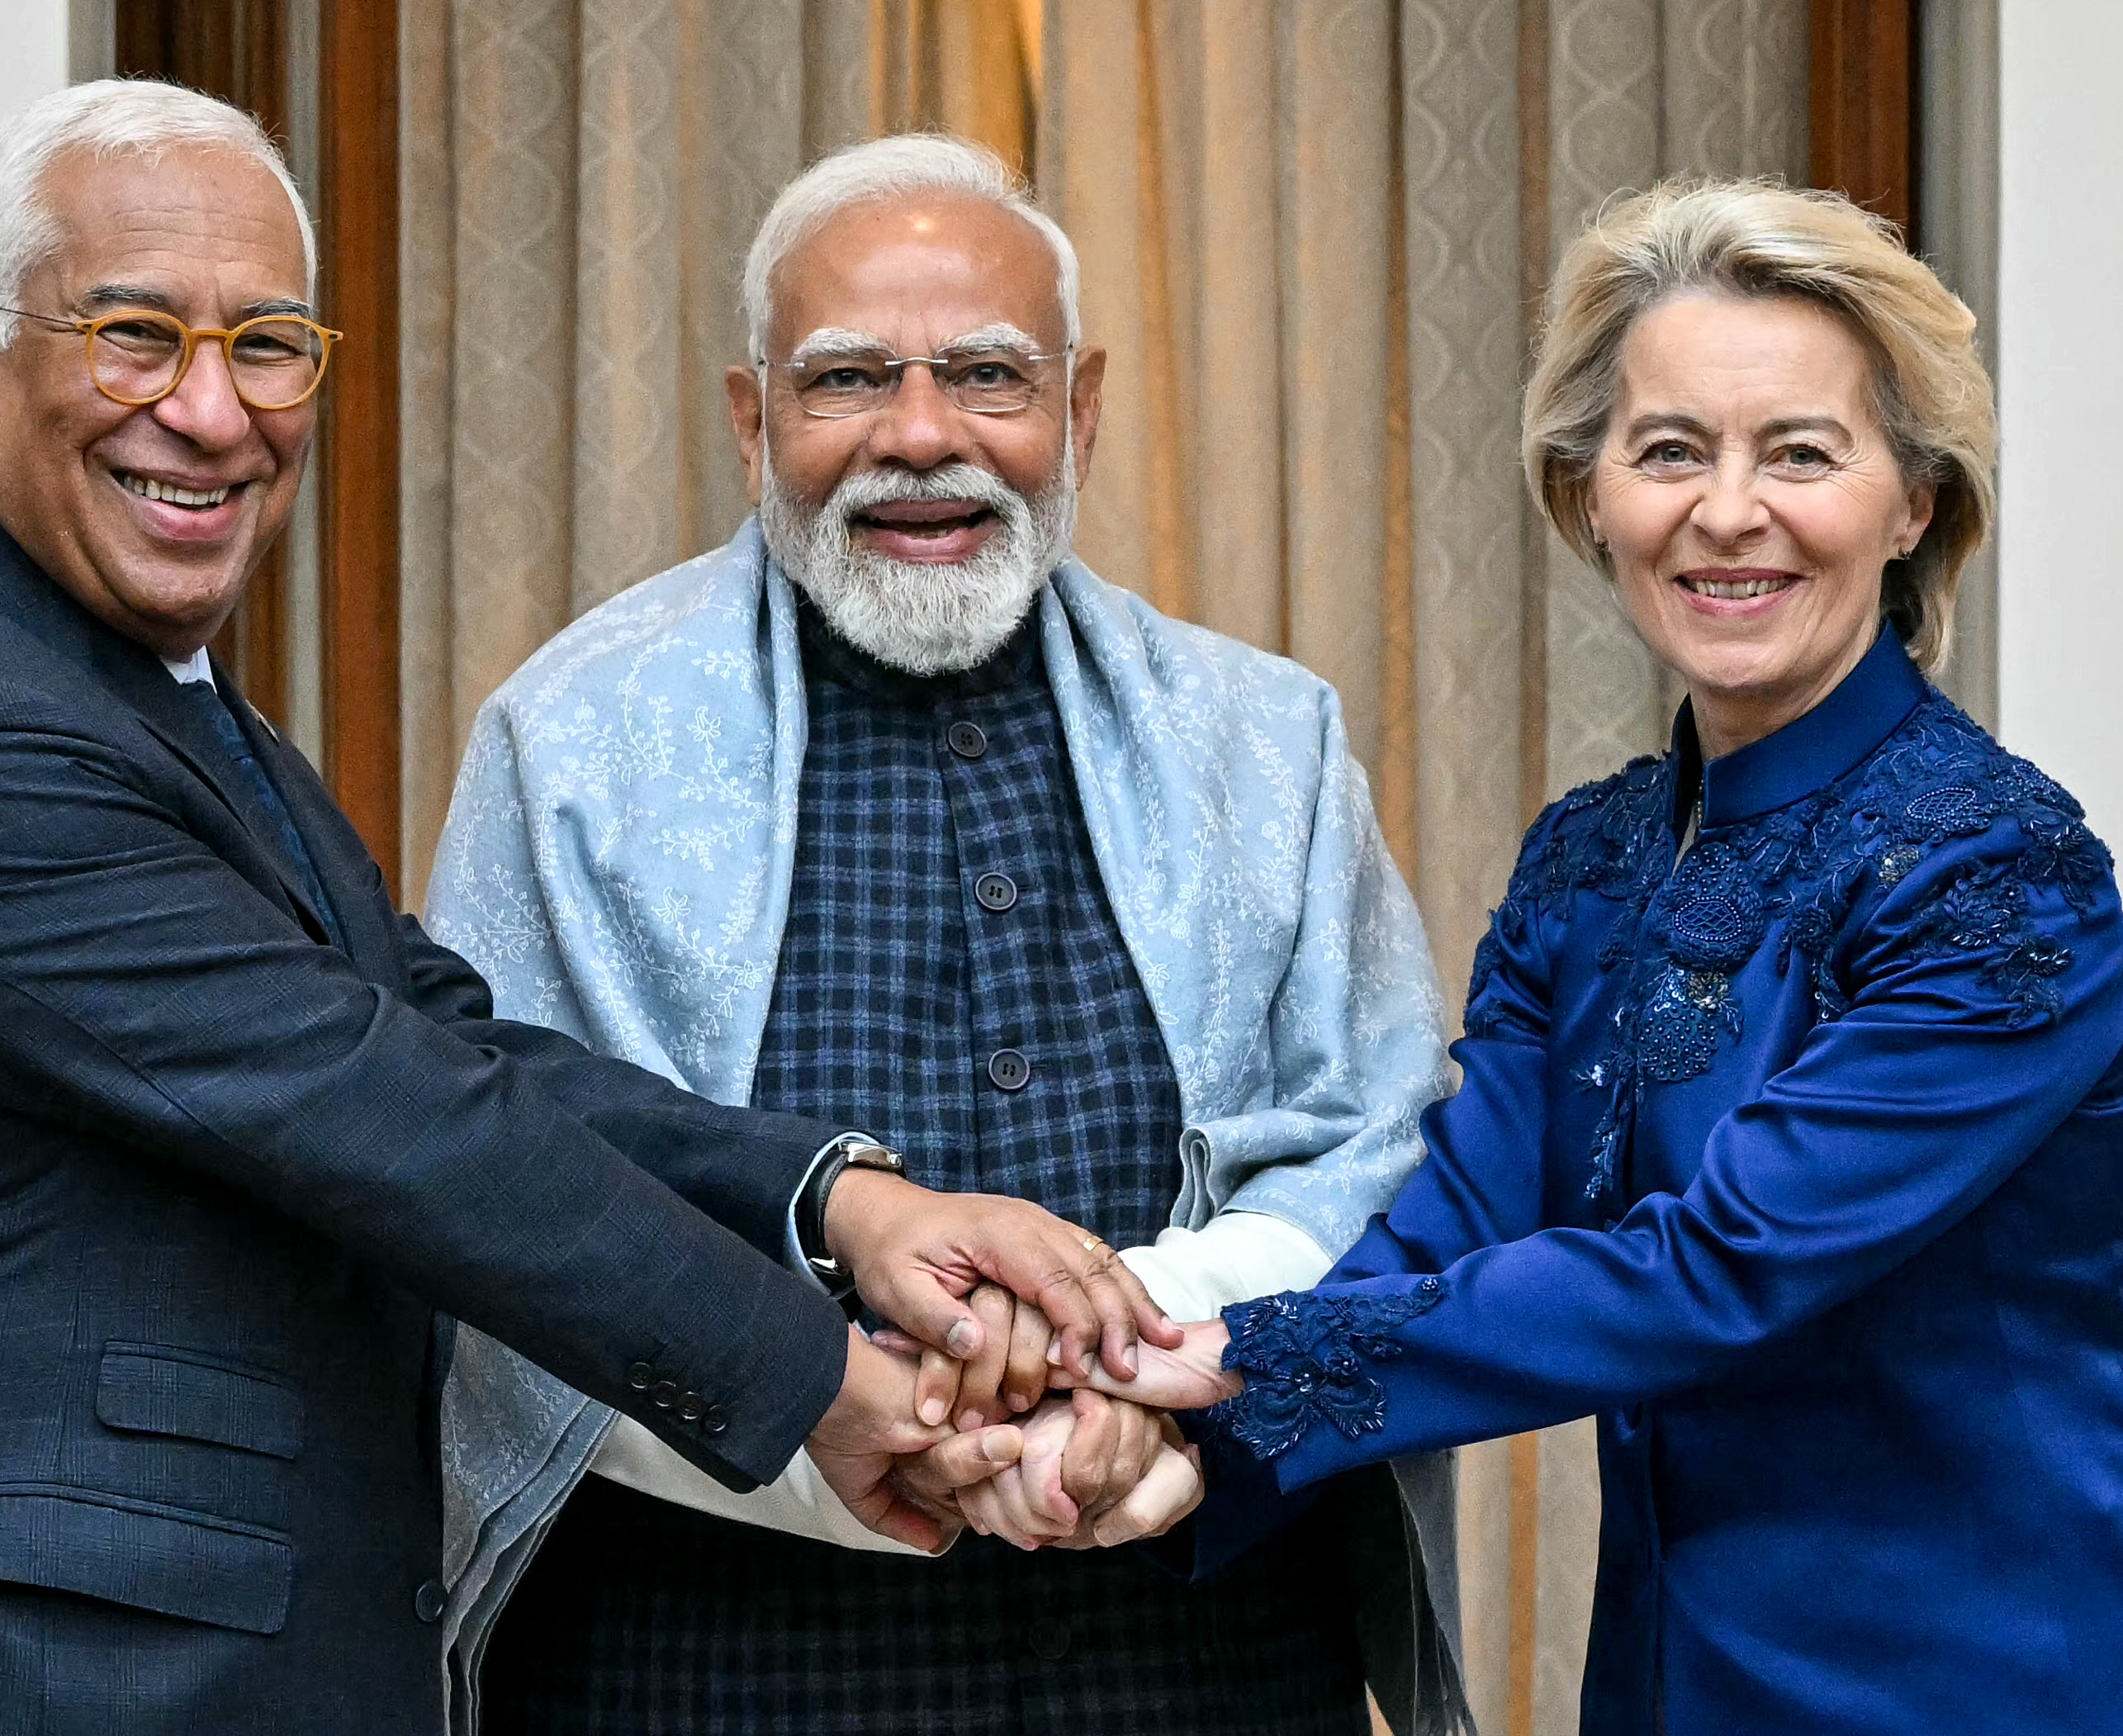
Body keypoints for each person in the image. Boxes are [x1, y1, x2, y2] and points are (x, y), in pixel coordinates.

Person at [0, 83, 1173, 1736]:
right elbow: (389, 1119)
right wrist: (818, 1381)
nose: (212, 412)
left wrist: (843, 1202)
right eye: (137, 335)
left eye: (268, 345)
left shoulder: (128, 688)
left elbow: (441, 1045)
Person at [1079, 179, 2123, 1734]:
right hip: (1670, 1687)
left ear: (1912, 504)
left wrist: (1232, 1367)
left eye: (1803, 453)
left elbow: (1717, 1268)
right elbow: (1458, 1219)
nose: (1727, 510)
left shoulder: (2000, 872)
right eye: (1671, 449)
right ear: (1591, 496)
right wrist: (1159, 1411)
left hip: (1994, 1683)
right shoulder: (1590, 857)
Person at [424, 135, 1464, 1736]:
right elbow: (492, 1203)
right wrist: (864, 1421)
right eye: (848, 379)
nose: (921, 436)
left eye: (987, 374)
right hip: (709, 1669)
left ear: (1083, 405)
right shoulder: (570, 743)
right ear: (748, 414)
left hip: (1198, 1668)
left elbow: (1388, 1150)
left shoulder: (1268, 741)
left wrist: (1148, 1362)